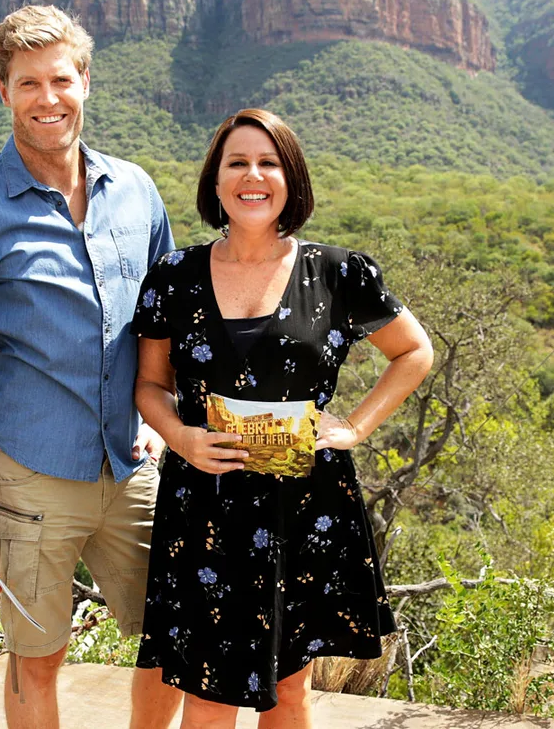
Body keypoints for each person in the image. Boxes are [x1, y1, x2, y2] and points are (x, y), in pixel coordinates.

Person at [0, 4, 182, 729]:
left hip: (133, 467)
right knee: (37, 659)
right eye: (28, 83)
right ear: (3, 92)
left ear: (86, 81)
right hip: (29, 477)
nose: (48, 99)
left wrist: (165, 419)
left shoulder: (137, 192)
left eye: (60, 80)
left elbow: (163, 327)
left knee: (172, 639)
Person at [131, 109, 434, 727]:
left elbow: (414, 351)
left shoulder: (340, 272)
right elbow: (150, 386)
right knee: (208, 696)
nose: (254, 176)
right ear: (215, 183)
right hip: (205, 505)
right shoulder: (173, 277)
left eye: (269, 163)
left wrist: (355, 426)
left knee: (292, 691)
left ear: (291, 180)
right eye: (237, 162)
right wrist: (181, 436)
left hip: (306, 507)